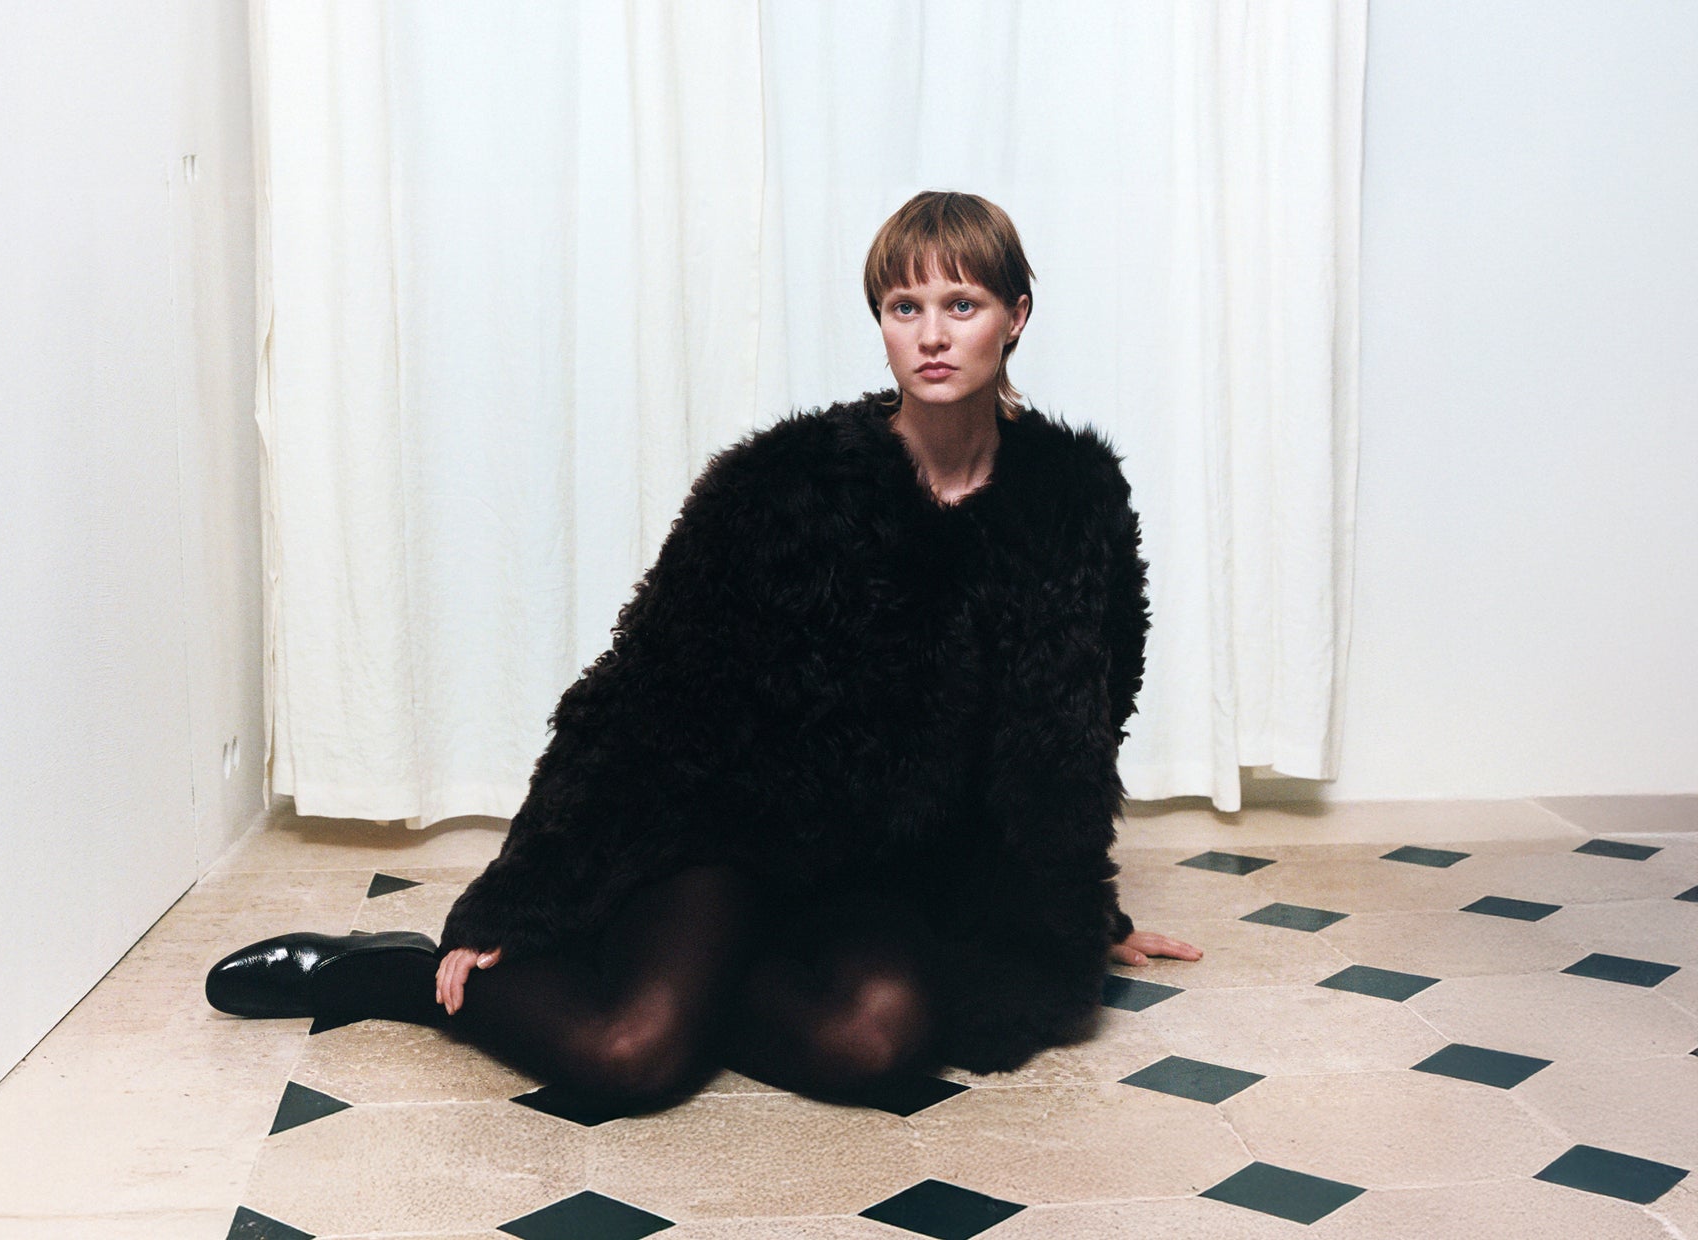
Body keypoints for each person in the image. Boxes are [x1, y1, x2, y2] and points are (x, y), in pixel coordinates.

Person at [207, 190, 1200, 1112]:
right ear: (882, 321)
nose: (932, 335)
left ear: (1015, 317)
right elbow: (638, 691)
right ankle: (397, 974)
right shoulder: (784, 485)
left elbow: (1076, 726)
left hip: (872, 873)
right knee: (630, 1058)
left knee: (879, 1040)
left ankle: (703, 989)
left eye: (962, 304)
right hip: (722, 832)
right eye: (905, 307)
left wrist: (1076, 912)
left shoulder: (1073, 502)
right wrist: (519, 890)